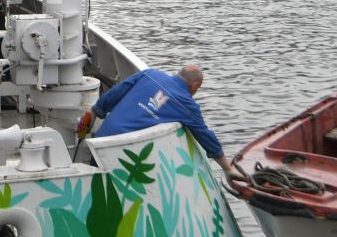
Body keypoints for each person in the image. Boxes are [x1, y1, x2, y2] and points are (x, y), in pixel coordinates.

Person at [77, 63, 230, 174]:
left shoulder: (149, 74)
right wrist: (227, 169)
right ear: (195, 85)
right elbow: (206, 137)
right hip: (125, 153)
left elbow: (115, 93)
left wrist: (95, 111)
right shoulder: (187, 105)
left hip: (101, 140)